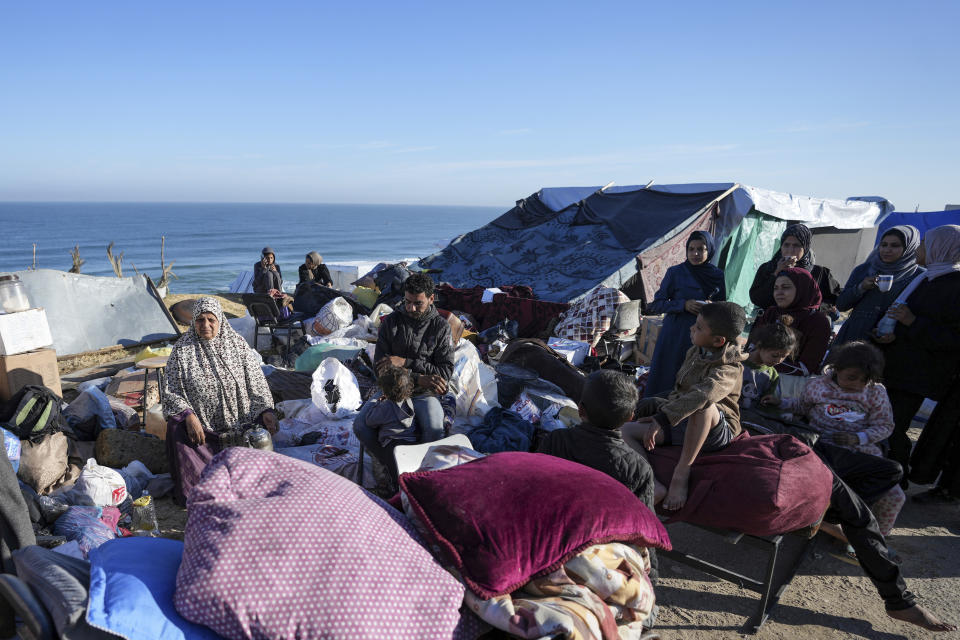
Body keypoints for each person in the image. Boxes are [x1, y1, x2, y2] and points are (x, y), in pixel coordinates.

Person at [623, 301, 747, 511]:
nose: (691, 328)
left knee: (704, 405)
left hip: (717, 430)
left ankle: (682, 471)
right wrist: (656, 409)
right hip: (682, 420)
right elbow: (679, 394)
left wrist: (663, 418)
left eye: (698, 327)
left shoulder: (730, 367)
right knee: (625, 429)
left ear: (718, 340)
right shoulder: (695, 351)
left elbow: (704, 395)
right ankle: (652, 484)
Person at [773, 342, 904, 536]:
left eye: (865, 379)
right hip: (820, 446)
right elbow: (801, 406)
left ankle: (870, 537)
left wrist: (858, 438)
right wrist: (780, 402)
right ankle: (823, 521)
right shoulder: (817, 385)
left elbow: (885, 426)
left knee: (894, 496)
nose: (858, 384)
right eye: (851, 378)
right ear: (837, 369)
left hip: (859, 450)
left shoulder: (876, 392)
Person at [162, 298, 277, 506]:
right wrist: (188, 416)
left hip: (240, 425)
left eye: (211, 319)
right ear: (193, 323)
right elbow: (171, 391)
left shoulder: (238, 345)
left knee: (262, 426)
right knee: (176, 425)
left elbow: (257, 382)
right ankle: (199, 490)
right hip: (202, 432)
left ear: (220, 320)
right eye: (200, 320)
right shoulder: (182, 350)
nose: (205, 325)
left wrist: (267, 409)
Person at [873, 224, 960, 487]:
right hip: (896, 364)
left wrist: (912, 322)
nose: (921, 248)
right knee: (882, 421)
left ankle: (897, 480)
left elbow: (953, 339)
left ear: (941, 247)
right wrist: (892, 333)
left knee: (894, 426)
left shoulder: (955, 286)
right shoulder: (926, 278)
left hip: (918, 374)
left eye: (925, 243)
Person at [353, 272, 454, 473]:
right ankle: (396, 470)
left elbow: (445, 372)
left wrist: (404, 362)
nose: (410, 308)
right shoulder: (391, 322)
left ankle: (422, 474)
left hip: (424, 395)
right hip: (391, 390)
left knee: (434, 429)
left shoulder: (441, 327)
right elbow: (381, 368)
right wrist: (419, 377)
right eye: (407, 302)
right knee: (360, 426)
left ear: (431, 298)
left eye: (418, 303)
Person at [537, 369, 656, 510]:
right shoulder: (638, 469)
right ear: (630, 417)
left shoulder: (555, 441)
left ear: (580, 410)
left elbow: (537, 488)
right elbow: (644, 522)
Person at [644, 230, 727, 398]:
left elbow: (723, 305)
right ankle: (654, 411)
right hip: (675, 333)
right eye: (691, 249)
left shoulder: (716, 275)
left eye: (701, 249)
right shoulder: (675, 272)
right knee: (666, 373)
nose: (695, 253)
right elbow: (657, 304)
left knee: (691, 375)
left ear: (709, 250)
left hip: (702, 335)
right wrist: (683, 305)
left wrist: (711, 306)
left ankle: (680, 415)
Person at [834, 226, 924, 345]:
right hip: (854, 336)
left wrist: (896, 333)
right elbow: (841, 305)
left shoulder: (919, 276)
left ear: (909, 248)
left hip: (890, 343)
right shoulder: (864, 270)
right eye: (884, 244)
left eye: (895, 245)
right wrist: (861, 288)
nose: (887, 250)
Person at [749, 267, 831, 375]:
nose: (779, 292)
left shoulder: (818, 322)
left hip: (789, 384)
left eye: (785, 287)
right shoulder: (771, 312)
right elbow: (752, 347)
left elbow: (806, 368)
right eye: (776, 288)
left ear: (803, 289)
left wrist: (765, 366)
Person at [749, 223, 841, 312]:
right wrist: (776, 272)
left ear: (805, 248)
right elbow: (757, 299)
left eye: (796, 245)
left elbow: (833, 298)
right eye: (786, 245)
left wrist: (814, 308)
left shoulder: (819, 272)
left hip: (804, 324)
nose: (790, 250)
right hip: (772, 323)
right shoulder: (767, 268)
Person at [360, 365, 416, 479]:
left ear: (385, 390)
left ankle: (384, 485)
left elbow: (370, 421)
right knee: (404, 475)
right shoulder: (409, 402)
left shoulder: (385, 407)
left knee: (387, 470)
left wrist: (375, 403)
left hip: (391, 446)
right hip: (411, 443)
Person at [739, 323, 798, 410]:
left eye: (783, 357)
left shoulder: (772, 376)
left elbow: (765, 404)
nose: (778, 361)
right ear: (759, 346)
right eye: (775, 355)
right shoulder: (738, 363)